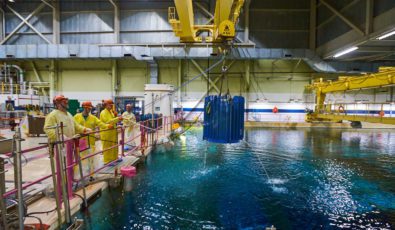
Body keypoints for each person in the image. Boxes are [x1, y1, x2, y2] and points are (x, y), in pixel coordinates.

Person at [74, 101, 112, 178]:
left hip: (90, 142)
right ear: (84, 107)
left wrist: (108, 126)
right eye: (88, 108)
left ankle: (91, 175)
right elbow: (74, 126)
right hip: (80, 142)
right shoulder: (76, 117)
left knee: (91, 160)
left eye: (90, 108)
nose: (89, 109)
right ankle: (80, 175)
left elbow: (101, 124)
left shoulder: (93, 118)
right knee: (80, 159)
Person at [100, 99, 123, 164]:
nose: (111, 106)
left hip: (113, 132)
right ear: (106, 105)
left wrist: (117, 118)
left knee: (114, 145)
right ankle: (107, 161)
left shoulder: (110, 112)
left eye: (111, 105)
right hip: (106, 133)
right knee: (107, 147)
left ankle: (114, 158)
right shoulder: (103, 112)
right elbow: (108, 121)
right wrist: (118, 119)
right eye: (110, 105)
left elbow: (113, 120)